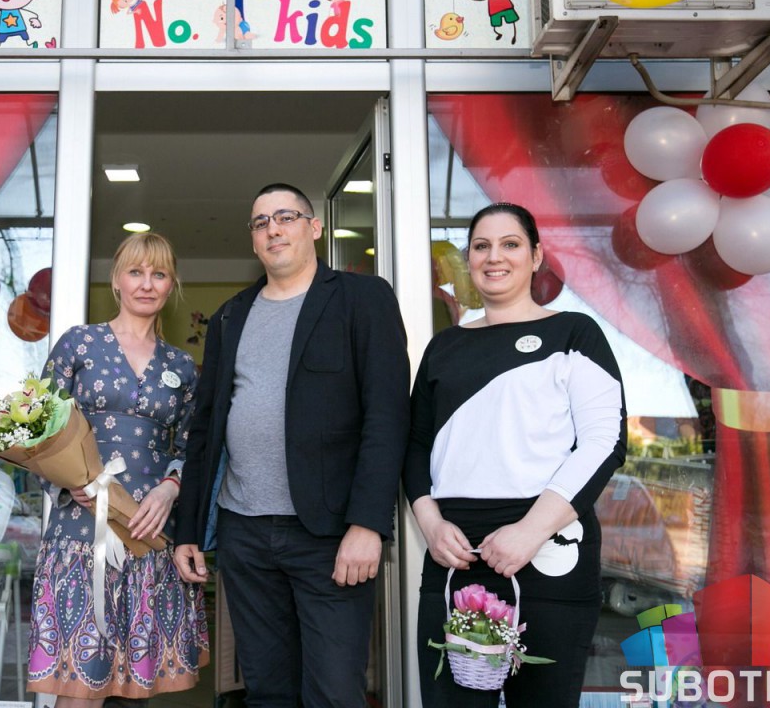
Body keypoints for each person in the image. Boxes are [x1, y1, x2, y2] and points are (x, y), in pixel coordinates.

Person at [174, 183, 410, 707]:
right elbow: (205, 429)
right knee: (267, 691)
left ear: (314, 227)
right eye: (261, 223)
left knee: (334, 693)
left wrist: (368, 524)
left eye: (285, 217)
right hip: (244, 532)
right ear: (253, 240)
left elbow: (388, 416)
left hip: (330, 534)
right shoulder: (231, 315)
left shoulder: (362, 299)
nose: (273, 229)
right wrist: (188, 529)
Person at [403, 202, 626, 708]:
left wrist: (530, 531)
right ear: (469, 259)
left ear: (536, 256)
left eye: (510, 244)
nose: (494, 257)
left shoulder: (574, 333)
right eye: (481, 246)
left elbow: (605, 441)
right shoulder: (444, 347)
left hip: (548, 554)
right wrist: (432, 526)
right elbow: (415, 446)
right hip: (455, 558)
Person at [28, 232, 209, 706]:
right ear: (116, 280)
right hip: (80, 531)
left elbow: (194, 445)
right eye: (136, 272)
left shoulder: (183, 366)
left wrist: (171, 488)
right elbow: (38, 426)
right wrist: (69, 481)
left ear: (171, 284)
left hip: (148, 531)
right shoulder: (79, 343)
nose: (147, 284)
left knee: (134, 687)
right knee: (79, 684)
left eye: (159, 274)